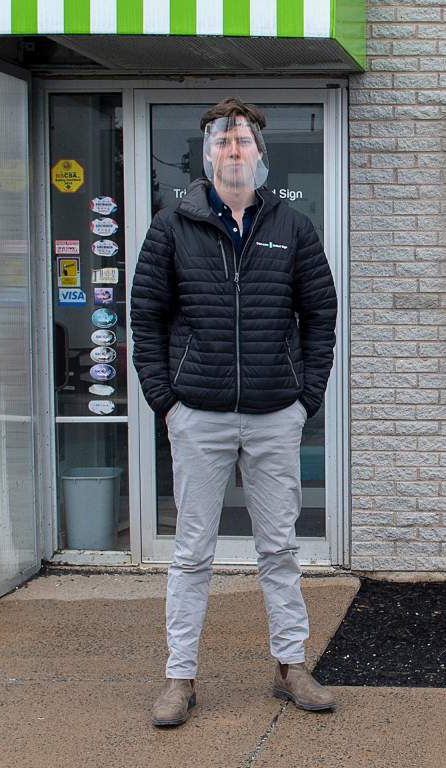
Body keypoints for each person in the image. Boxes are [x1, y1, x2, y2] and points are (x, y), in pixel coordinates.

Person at [132, 97, 338, 728]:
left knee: (278, 547)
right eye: (223, 141)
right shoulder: (172, 226)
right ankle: (180, 677)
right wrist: (166, 401)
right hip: (199, 414)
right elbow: (145, 318)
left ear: (260, 153)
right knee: (192, 551)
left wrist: (306, 398)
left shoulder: (292, 226)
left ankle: (291, 667)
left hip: (277, 414)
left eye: (243, 140)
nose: (233, 150)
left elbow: (321, 316)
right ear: (207, 152)